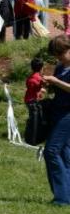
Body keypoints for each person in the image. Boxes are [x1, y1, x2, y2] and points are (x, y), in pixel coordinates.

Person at [42, 35, 70, 205]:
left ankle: (61, 197)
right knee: (65, 154)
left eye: (61, 53)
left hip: (68, 114)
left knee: (51, 151)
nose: (58, 57)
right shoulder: (60, 67)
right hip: (57, 112)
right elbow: (57, 87)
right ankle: (66, 196)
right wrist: (45, 86)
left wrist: (55, 81)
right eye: (56, 54)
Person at [24, 58, 47, 145]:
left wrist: (40, 89)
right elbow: (35, 86)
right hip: (32, 101)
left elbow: (33, 88)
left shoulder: (31, 76)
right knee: (35, 120)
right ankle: (32, 140)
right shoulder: (38, 78)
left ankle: (32, 138)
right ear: (41, 68)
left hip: (29, 100)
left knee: (33, 119)